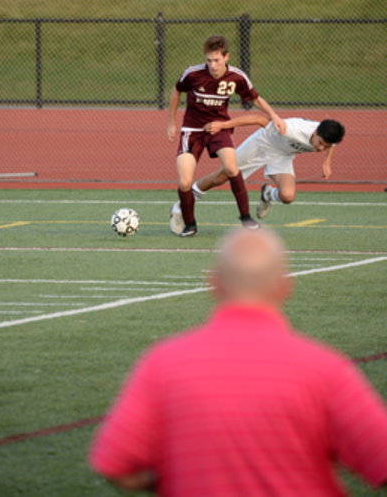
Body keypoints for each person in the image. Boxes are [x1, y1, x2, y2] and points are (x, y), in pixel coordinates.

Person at [88, 228, 387, 496]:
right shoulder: (325, 370)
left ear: (214, 284)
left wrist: (179, 480)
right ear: (285, 287)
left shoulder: (163, 364)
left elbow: (115, 464)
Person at [167, 35, 285, 236]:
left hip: (219, 128)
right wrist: (171, 121)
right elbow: (176, 91)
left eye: (217, 60)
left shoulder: (237, 77)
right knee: (185, 182)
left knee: (231, 168)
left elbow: (255, 99)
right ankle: (190, 223)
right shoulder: (193, 74)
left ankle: (246, 218)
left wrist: (274, 116)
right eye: (209, 60)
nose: (212, 65)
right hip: (192, 130)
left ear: (226, 57)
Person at [170, 115, 345, 234]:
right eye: (320, 143)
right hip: (261, 144)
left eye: (326, 146)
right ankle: (181, 204)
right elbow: (258, 119)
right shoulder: (292, 129)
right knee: (222, 176)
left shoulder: (328, 137)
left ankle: (267, 194)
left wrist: (326, 162)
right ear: (315, 133)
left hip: (282, 155)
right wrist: (223, 125)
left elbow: (332, 145)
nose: (321, 148)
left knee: (287, 196)